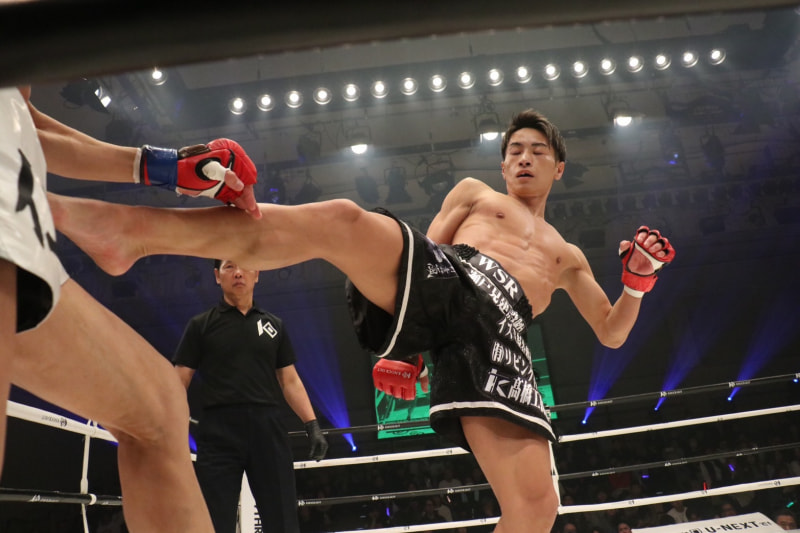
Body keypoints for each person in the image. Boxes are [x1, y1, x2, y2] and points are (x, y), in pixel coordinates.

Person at [48, 108, 675, 532]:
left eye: (538, 151)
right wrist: (403, 345)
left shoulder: (568, 255)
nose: (524, 158)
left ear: (560, 167)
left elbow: (612, 330)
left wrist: (638, 282)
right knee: (344, 220)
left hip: (503, 339)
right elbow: (419, 259)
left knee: (537, 510)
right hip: (454, 280)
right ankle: (133, 230)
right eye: (514, 150)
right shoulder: (475, 195)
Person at [0, 85, 259, 532]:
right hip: (9, 203)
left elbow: (22, 116)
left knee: (158, 409)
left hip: (16, 206)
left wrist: (164, 167)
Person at [173, 258, 328, 533]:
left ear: (257, 273)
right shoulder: (200, 326)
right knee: (213, 522)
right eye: (229, 266)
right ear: (217, 276)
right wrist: (170, 430)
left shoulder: (274, 325)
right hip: (218, 432)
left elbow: (289, 380)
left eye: (244, 266)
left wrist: (312, 424)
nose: (238, 273)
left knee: (282, 519)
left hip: (267, 429)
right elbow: (178, 381)